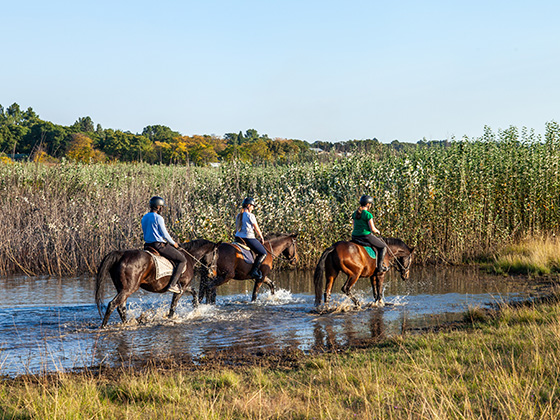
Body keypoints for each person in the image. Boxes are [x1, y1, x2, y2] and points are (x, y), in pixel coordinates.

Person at [141, 196, 186, 294]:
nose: (162, 209)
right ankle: (173, 285)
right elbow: (165, 234)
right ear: (158, 207)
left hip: (148, 245)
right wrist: (174, 244)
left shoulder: (144, 217)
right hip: (159, 245)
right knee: (182, 260)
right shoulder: (158, 218)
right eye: (162, 207)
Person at [351, 194, 389, 272]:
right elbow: (372, 229)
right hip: (365, 236)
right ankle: (380, 267)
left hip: (354, 236)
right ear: (368, 204)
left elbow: (354, 226)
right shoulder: (368, 214)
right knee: (383, 247)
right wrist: (378, 231)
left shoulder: (355, 214)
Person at [234, 197, 267, 280]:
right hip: (248, 238)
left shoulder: (238, 215)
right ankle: (254, 271)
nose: (253, 208)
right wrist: (261, 237)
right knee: (263, 253)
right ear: (248, 205)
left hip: (238, 238)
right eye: (252, 206)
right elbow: (256, 228)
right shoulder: (250, 215)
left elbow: (237, 228)